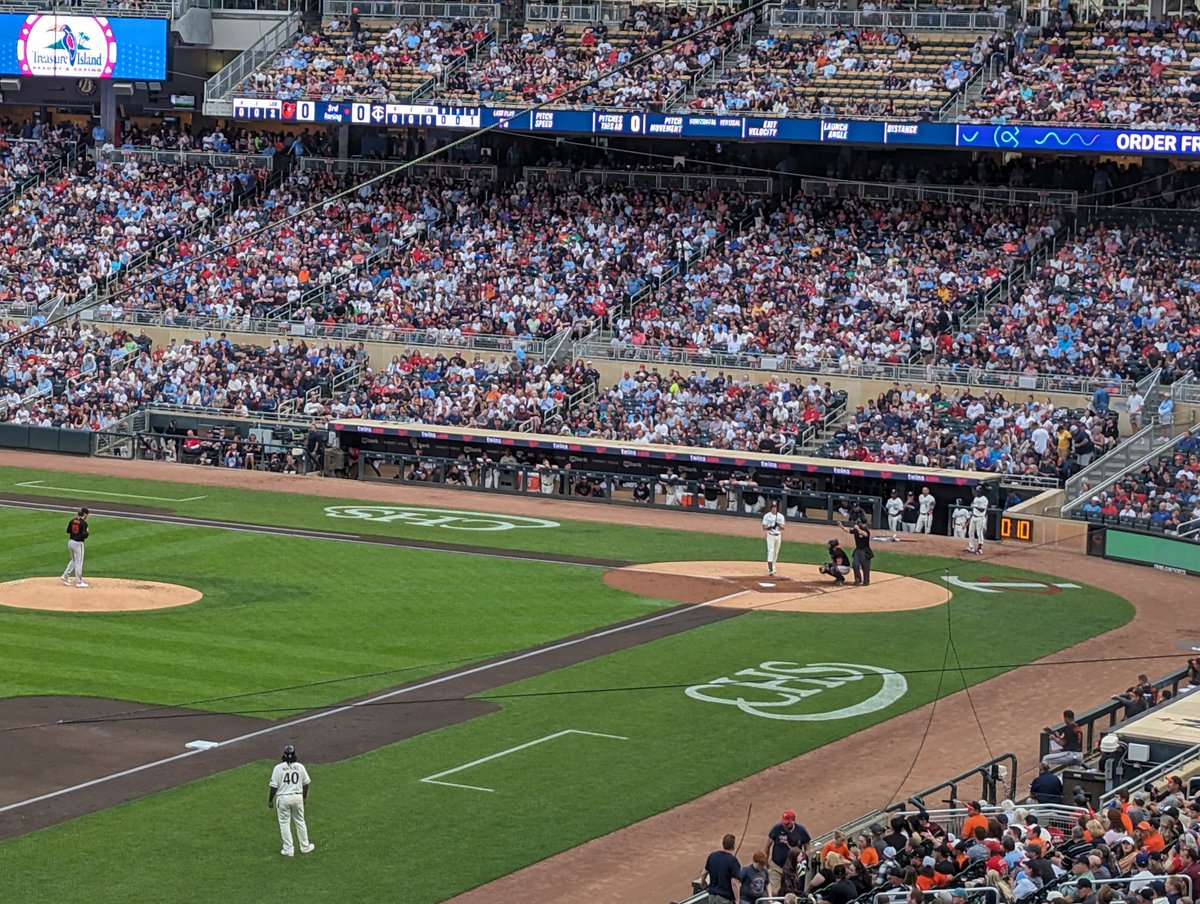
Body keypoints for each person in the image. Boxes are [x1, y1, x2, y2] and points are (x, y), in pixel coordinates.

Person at [269, 744, 314, 857]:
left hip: (283, 798)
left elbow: (273, 787)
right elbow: (306, 784)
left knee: (284, 824)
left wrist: (270, 800)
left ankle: (288, 850)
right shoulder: (300, 767)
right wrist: (304, 797)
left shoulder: (278, 768)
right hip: (297, 797)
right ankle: (305, 847)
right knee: (300, 822)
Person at [767, 810, 811, 895]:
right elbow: (767, 845)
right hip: (777, 866)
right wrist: (766, 861)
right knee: (774, 892)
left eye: (787, 823)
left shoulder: (801, 831)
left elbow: (808, 848)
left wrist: (804, 860)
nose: (785, 825)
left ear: (793, 820)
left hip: (794, 869)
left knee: (792, 892)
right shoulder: (777, 829)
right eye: (784, 823)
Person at [700, 833, 741, 904]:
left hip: (712, 897)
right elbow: (734, 883)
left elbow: (703, 873)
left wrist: (702, 883)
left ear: (722, 844)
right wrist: (737, 900)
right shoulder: (733, 861)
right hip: (724, 899)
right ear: (733, 846)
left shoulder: (712, 856)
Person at [60, 507, 90, 588]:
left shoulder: (72, 520)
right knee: (78, 562)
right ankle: (79, 582)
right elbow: (84, 535)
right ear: (84, 514)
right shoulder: (84, 523)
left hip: (70, 542)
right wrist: (87, 532)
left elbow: (68, 531)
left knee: (74, 560)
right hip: (78, 543)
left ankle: (65, 576)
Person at [842, 521, 873, 586]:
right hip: (858, 550)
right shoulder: (856, 530)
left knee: (865, 567)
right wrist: (841, 526)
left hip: (865, 551)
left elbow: (865, 534)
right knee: (855, 564)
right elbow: (848, 530)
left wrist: (858, 529)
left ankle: (866, 581)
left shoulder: (865, 530)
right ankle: (858, 579)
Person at [762, 500, 785, 576]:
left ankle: (773, 566)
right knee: (770, 551)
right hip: (770, 535)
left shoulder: (780, 516)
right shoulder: (767, 516)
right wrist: (771, 526)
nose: (774, 509)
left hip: (778, 536)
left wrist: (778, 524)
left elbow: (783, 527)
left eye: (775, 507)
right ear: (771, 508)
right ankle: (770, 569)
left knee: (776, 552)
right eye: (773, 507)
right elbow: (764, 527)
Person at [966, 486, 988, 555]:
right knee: (970, 532)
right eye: (977, 491)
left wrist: (975, 506)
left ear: (981, 492)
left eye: (978, 491)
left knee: (979, 533)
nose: (977, 492)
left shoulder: (984, 499)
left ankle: (980, 549)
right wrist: (972, 513)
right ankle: (971, 547)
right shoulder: (975, 498)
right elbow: (973, 508)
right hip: (974, 517)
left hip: (980, 518)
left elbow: (982, 509)